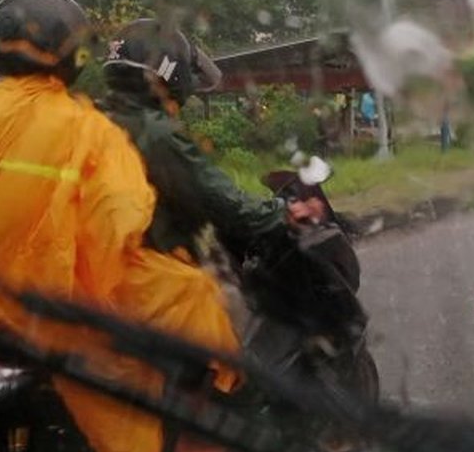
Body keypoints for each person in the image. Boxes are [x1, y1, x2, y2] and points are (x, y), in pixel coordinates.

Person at [0, 0, 241, 452]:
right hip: (51, 316)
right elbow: (119, 225)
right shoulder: (87, 128)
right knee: (190, 301)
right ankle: (196, 432)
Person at [97, 18, 328, 269]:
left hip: (101, 265)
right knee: (219, 303)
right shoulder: (155, 132)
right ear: (169, 71)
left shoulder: (96, 115)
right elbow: (219, 198)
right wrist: (284, 212)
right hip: (150, 272)